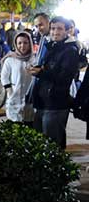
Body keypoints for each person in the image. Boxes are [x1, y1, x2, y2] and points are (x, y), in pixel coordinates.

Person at [29, 16, 79, 149]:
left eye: (59, 29)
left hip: (56, 103)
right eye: (52, 28)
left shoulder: (70, 51)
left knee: (52, 144)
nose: (54, 32)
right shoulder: (53, 46)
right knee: (41, 142)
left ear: (68, 31)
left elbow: (63, 78)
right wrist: (39, 69)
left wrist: (41, 73)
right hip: (43, 101)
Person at [0, 31, 35, 124]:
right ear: (15, 44)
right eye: (19, 43)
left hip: (30, 99)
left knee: (29, 125)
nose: (22, 46)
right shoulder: (10, 59)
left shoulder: (35, 59)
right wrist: (9, 91)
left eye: (25, 43)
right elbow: (4, 77)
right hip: (14, 98)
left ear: (30, 44)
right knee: (15, 126)